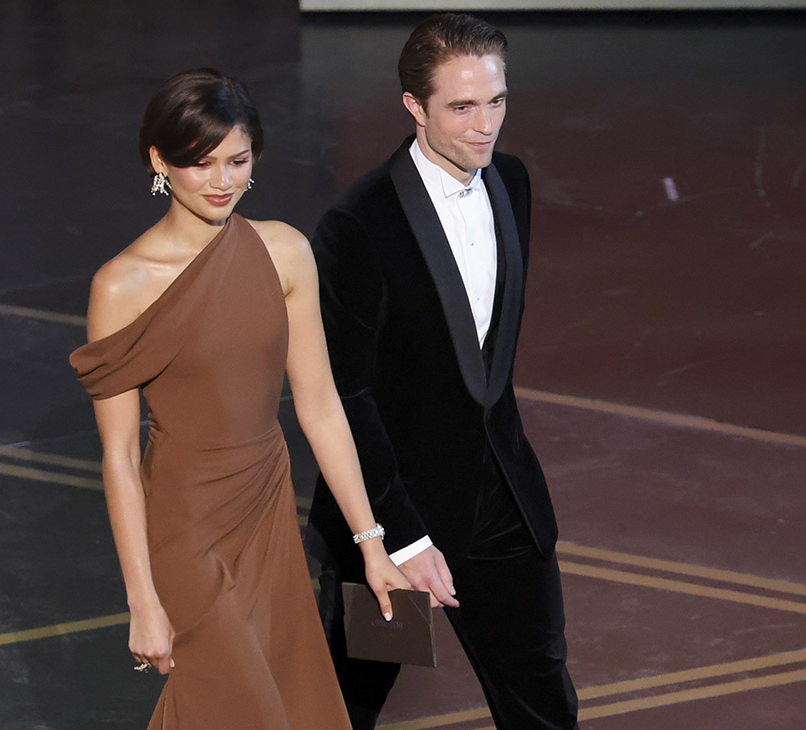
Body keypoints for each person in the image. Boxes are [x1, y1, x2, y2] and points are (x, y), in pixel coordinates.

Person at [69, 68, 411, 730]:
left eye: (238, 160)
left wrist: (373, 545)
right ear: (159, 161)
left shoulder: (284, 252)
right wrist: (142, 599)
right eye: (201, 164)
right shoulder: (121, 285)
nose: (222, 181)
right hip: (185, 525)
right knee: (243, 705)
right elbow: (120, 456)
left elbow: (320, 406)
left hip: (266, 507)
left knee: (275, 702)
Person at [306, 14, 580, 730]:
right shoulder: (360, 222)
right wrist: (400, 537)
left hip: (502, 501)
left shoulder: (511, 183)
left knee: (543, 703)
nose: (485, 125)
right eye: (462, 107)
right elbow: (346, 395)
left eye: (496, 101)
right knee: (353, 704)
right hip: (395, 519)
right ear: (414, 106)